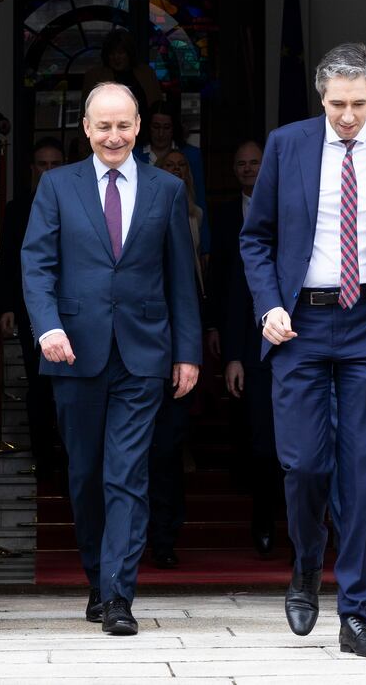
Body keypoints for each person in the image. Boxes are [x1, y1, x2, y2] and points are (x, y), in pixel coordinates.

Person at [240, 43, 366, 659]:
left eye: (358, 104)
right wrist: (268, 304)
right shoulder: (288, 145)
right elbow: (257, 238)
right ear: (321, 100)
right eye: (336, 104)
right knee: (303, 465)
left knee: (365, 470)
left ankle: (355, 611)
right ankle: (304, 562)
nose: (347, 116)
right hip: (298, 323)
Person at [21, 82, 201, 636]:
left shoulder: (166, 190)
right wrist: (47, 325)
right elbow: (36, 264)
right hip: (73, 350)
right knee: (85, 475)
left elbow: (180, 278)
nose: (114, 136)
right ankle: (98, 581)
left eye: (123, 125)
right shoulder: (56, 186)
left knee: (127, 474)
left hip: (143, 355)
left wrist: (188, 352)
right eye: (104, 126)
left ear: (139, 126)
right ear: (86, 128)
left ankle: (120, 595)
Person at [218, 141, 284, 558]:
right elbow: (238, 296)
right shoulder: (243, 226)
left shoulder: (293, 208)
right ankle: (263, 520)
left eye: (255, 162)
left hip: (304, 346)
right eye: (240, 162)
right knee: (263, 444)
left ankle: (302, 531)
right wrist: (234, 356)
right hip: (258, 350)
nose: (248, 169)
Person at [146, 148, 205, 568]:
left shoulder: (174, 204)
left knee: (165, 452)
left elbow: (186, 283)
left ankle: (164, 539)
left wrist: (187, 351)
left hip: (166, 351)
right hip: (116, 352)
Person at [0, 137, 65, 484]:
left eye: (55, 164)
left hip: (72, 307)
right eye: (43, 164)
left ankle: (69, 458)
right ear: (33, 168)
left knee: (70, 383)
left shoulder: (77, 201)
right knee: (39, 384)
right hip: (29, 307)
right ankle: (44, 459)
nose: (48, 170)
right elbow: (9, 259)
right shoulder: (18, 207)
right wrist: (5, 306)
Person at [136, 102, 210, 258]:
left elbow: (200, 199)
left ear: (174, 128)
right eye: (156, 127)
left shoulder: (192, 155)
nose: (161, 133)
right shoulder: (134, 156)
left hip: (184, 232)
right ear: (148, 127)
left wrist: (205, 247)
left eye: (166, 127)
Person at [82, 29, 163, 129]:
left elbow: (159, 107)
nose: (116, 57)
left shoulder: (146, 74)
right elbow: (86, 114)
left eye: (121, 52)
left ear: (129, 53)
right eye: (112, 53)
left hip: (145, 137)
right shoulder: (95, 76)